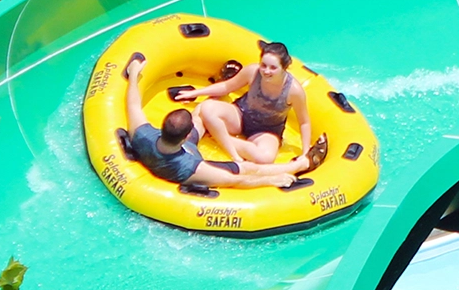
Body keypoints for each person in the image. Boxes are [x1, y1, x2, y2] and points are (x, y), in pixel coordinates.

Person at [125, 57, 322, 189]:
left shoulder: (143, 136)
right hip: (183, 158)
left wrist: (133, 74)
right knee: (247, 166)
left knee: (202, 112)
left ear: (161, 127)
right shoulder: (192, 167)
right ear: (186, 136)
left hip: (172, 148)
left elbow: (133, 105)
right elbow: (236, 180)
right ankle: (303, 163)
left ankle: (222, 88)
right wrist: (270, 180)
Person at [175, 41, 324, 165]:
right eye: (263, 65)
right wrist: (195, 93)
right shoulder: (253, 71)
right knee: (207, 108)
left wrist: (305, 152)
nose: (266, 71)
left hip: (267, 130)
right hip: (240, 115)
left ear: (284, 67)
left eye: (273, 68)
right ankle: (229, 149)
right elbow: (227, 86)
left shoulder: (293, 90)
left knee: (265, 158)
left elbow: (304, 122)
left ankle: (218, 135)